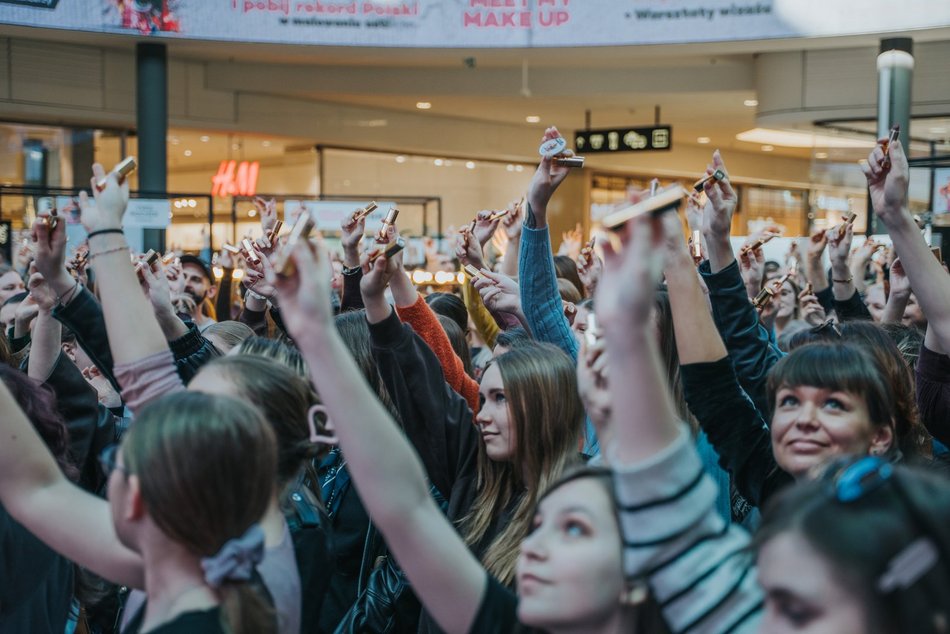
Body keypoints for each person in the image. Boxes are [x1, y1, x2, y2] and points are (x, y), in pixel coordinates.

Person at [266, 187, 764, 633]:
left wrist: (677, 259)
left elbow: (714, 401)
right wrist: (315, 333)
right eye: (542, 524)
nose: (534, 545)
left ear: (638, 568)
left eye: (574, 528)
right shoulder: (508, 615)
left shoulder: (688, 589)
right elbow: (407, 505)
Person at [0, 384, 279, 634]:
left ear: (135, 497)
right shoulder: (203, 569)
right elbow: (38, 490)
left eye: (112, 463)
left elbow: (38, 490)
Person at [178, 254, 217, 331]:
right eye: (183, 276)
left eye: (195, 279)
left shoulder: (214, 330)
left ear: (211, 291)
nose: (186, 283)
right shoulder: (160, 321)